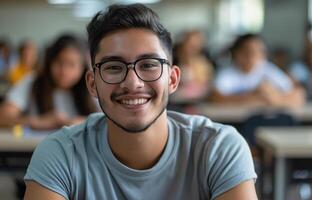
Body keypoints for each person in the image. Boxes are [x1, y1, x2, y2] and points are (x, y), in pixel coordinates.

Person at [24, 4, 258, 200]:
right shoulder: (60, 154)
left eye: (148, 65)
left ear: (173, 79)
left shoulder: (218, 149)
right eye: (114, 67)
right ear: (92, 83)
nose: (132, 82)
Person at [0, 34, 97, 130]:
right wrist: (37, 121)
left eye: (71, 64)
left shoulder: (92, 86)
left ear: (83, 68)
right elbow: (3, 117)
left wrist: (85, 121)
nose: (64, 71)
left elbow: (107, 120)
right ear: (49, 62)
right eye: (59, 62)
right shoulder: (32, 82)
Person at [213, 33, 304, 108]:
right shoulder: (226, 74)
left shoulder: (267, 69)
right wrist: (255, 97)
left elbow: (298, 95)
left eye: (258, 51)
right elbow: (215, 98)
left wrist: (275, 98)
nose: (252, 56)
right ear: (236, 53)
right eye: (248, 51)